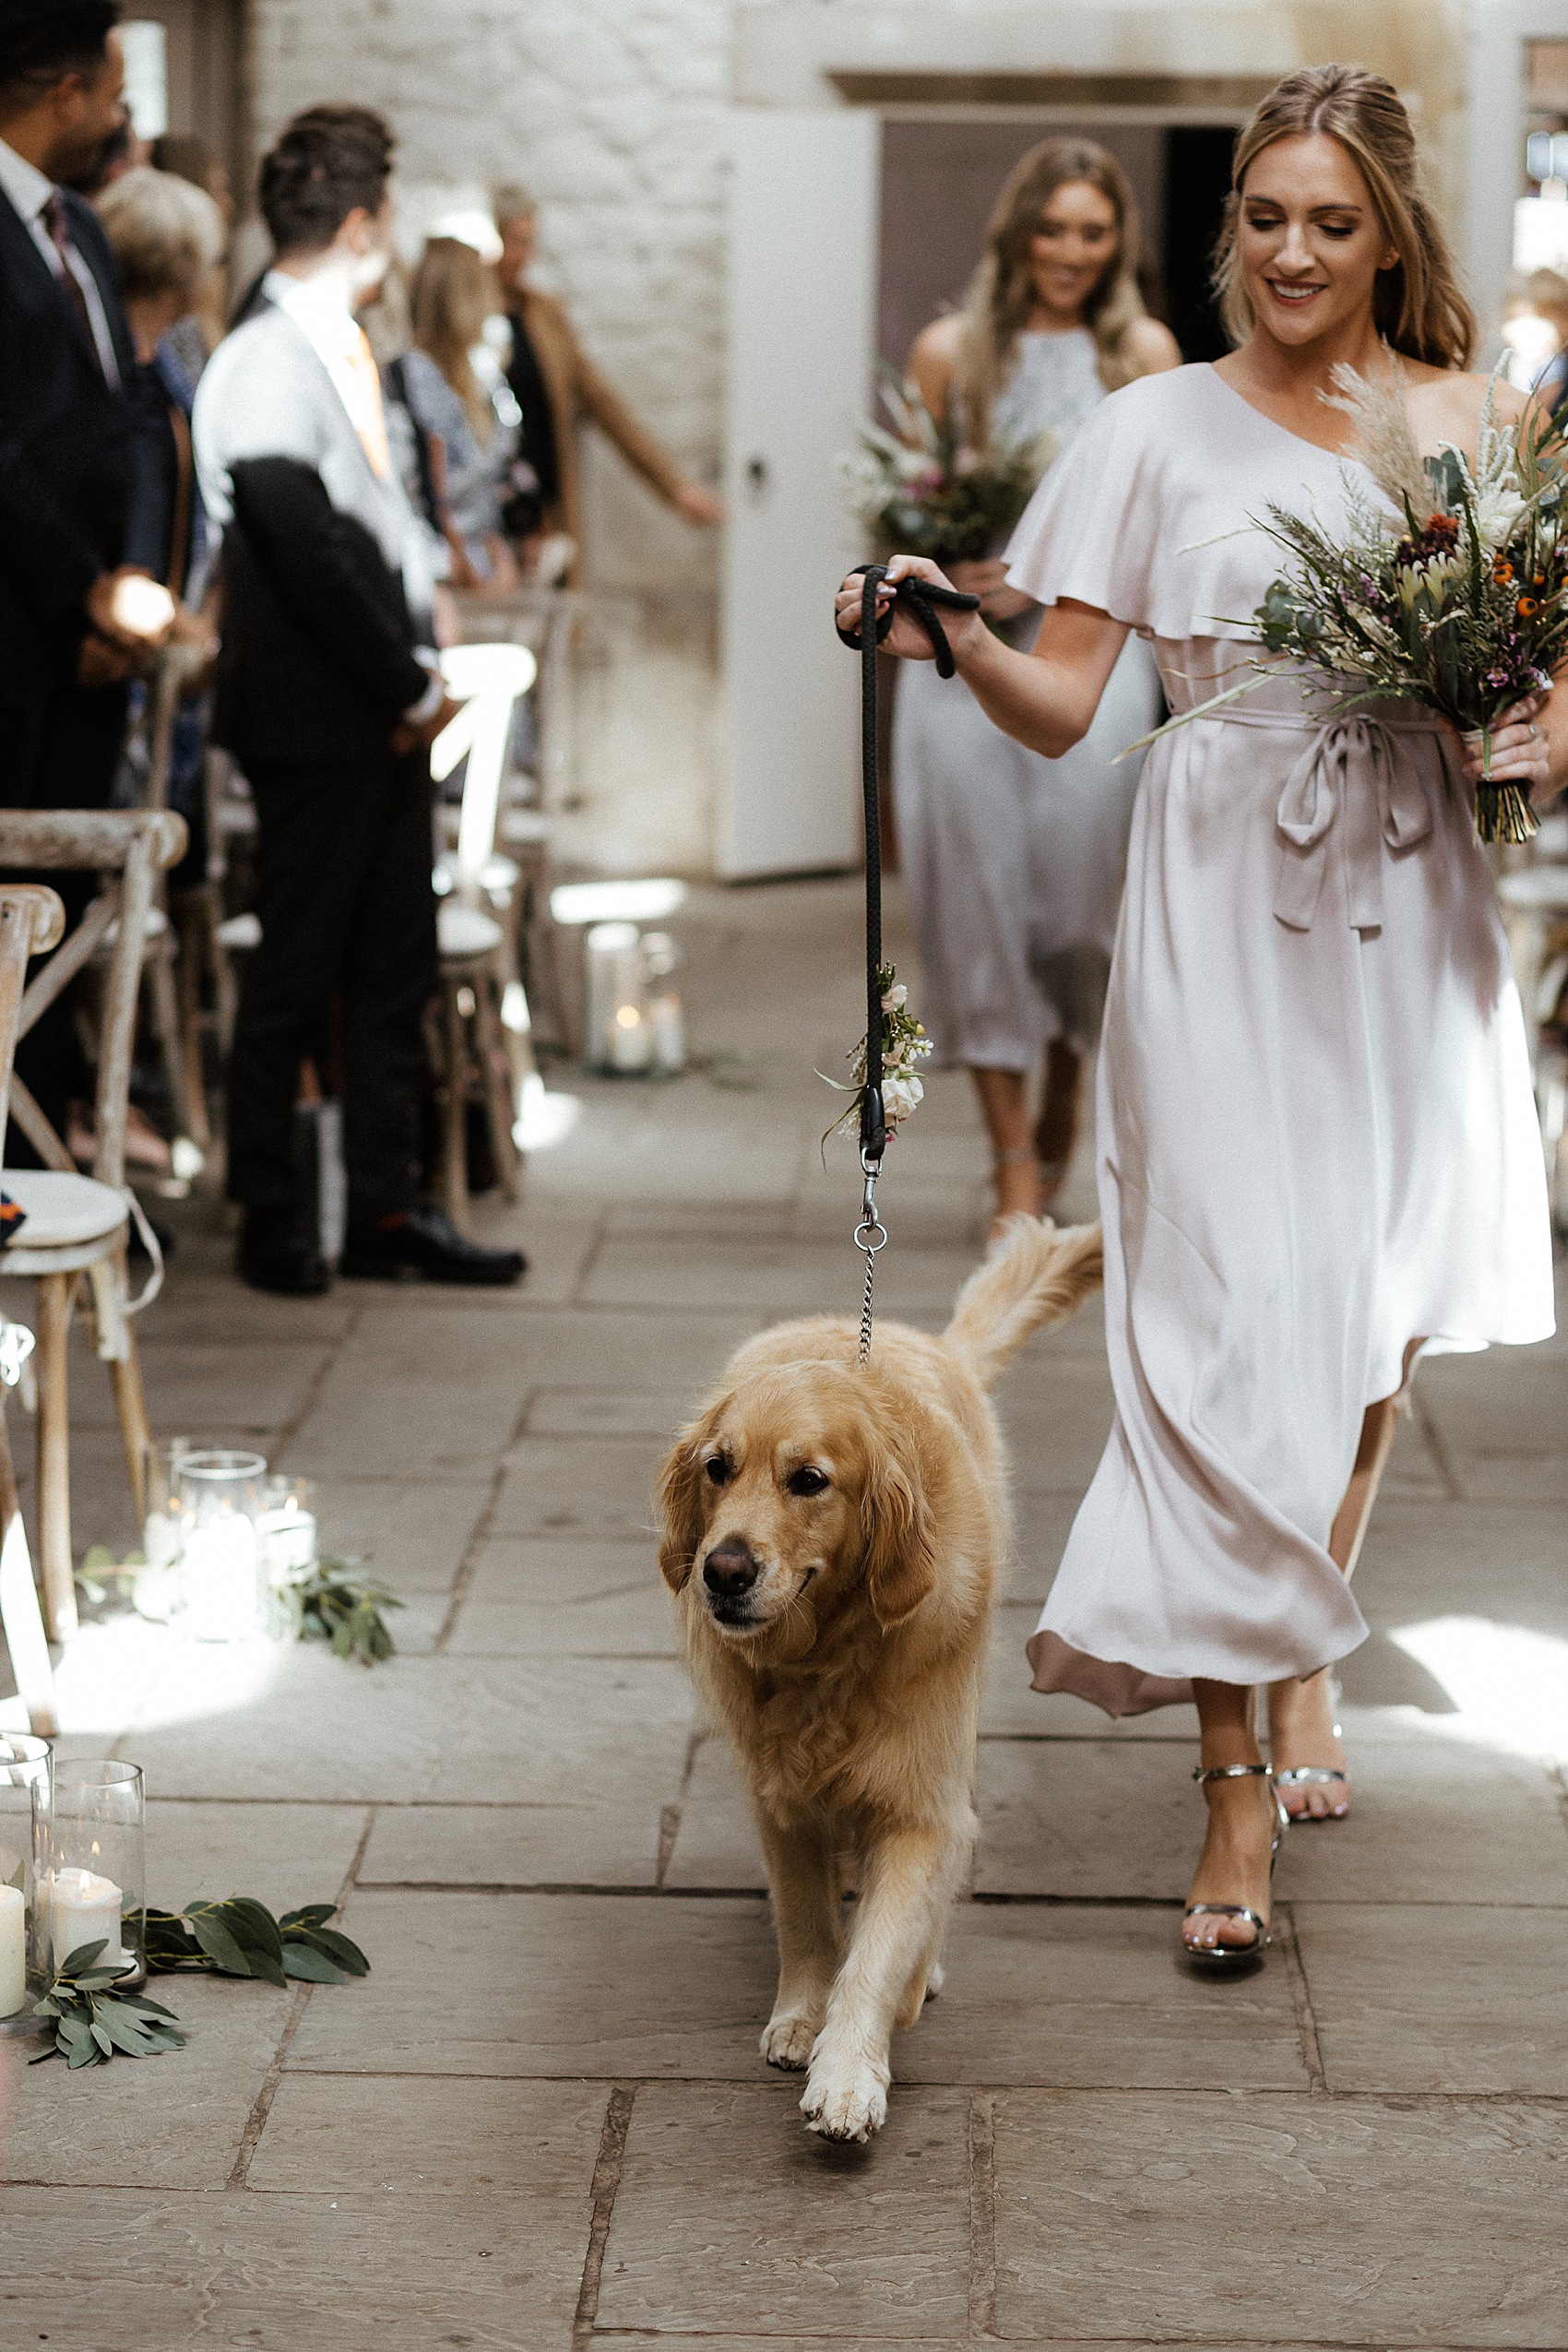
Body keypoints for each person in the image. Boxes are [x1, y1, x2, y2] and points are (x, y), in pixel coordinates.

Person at [838, 66, 1558, 1971]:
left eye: (1334, 222)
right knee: (1220, 1308)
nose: (1296, 254)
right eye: (1264, 218)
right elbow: (1073, 701)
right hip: (1218, 884)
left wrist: (1540, 731)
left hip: (1409, 886)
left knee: (1367, 1307)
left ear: (1389, 231)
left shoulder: (1474, 426)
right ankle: (1232, 1778)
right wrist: (944, 629)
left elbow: (1539, 683)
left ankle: (1296, 1620)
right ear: (1224, 227)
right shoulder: (1151, 428)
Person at [192, 102, 525, 1294]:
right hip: (315, 720)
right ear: (361, 224)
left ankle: (388, 1208)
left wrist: (422, 671)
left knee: (396, 964)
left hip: (384, 712)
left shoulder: (344, 345)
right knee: (294, 972)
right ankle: (273, 1211)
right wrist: (401, 682)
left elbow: (382, 526)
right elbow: (298, 543)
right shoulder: (264, 356)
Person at [894, 139, 1179, 1223]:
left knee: (1073, 915)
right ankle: (1013, 1164)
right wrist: (946, 567)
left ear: (1117, 243)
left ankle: (1063, 1099)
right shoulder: (949, 352)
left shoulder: (1143, 354)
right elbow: (905, 505)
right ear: (1016, 232)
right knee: (973, 904)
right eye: (1050, 228)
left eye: (1090, 231)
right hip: (958, 667)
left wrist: (1039, 576)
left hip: (1091, 659)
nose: (1067, 250)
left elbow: (1163, 522)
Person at [0, 0, 172, 1148]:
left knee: (68, 919)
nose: (120, 117)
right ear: (64, 90)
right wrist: (82, 590)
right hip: (15, 635)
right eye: (110, 93)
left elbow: (136, 422)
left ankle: (48, 1145)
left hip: (101, 638)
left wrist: (139, 584)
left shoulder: (86, 229)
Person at [491, 182, 722, 579]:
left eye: (530, 242)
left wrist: (674, 487)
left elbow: (607, 409)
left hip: (546, 511)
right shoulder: (462, 318)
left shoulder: (546, 315)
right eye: (514, 242)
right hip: (490, 517)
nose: (524, 255)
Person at [403, 233, 520, 589]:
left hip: (483, 565)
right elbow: (429, 493)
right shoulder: (416, 377)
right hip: (443, 574)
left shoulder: (480, 374)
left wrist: (496, 551)